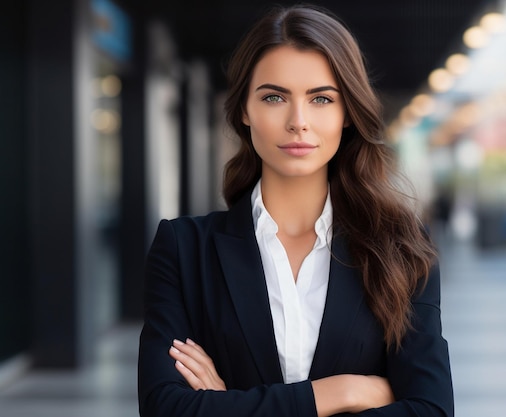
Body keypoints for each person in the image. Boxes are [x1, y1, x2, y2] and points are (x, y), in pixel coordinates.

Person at [138, 5, 454, 417]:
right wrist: (340, 393)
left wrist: (224, 405)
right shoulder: (184, 250)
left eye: (321, 98)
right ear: (245, 112)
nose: (298, 121)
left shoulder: (401, 248)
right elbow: (166, 409)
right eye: (274, 97)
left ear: (346, 114)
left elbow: (431, 410)